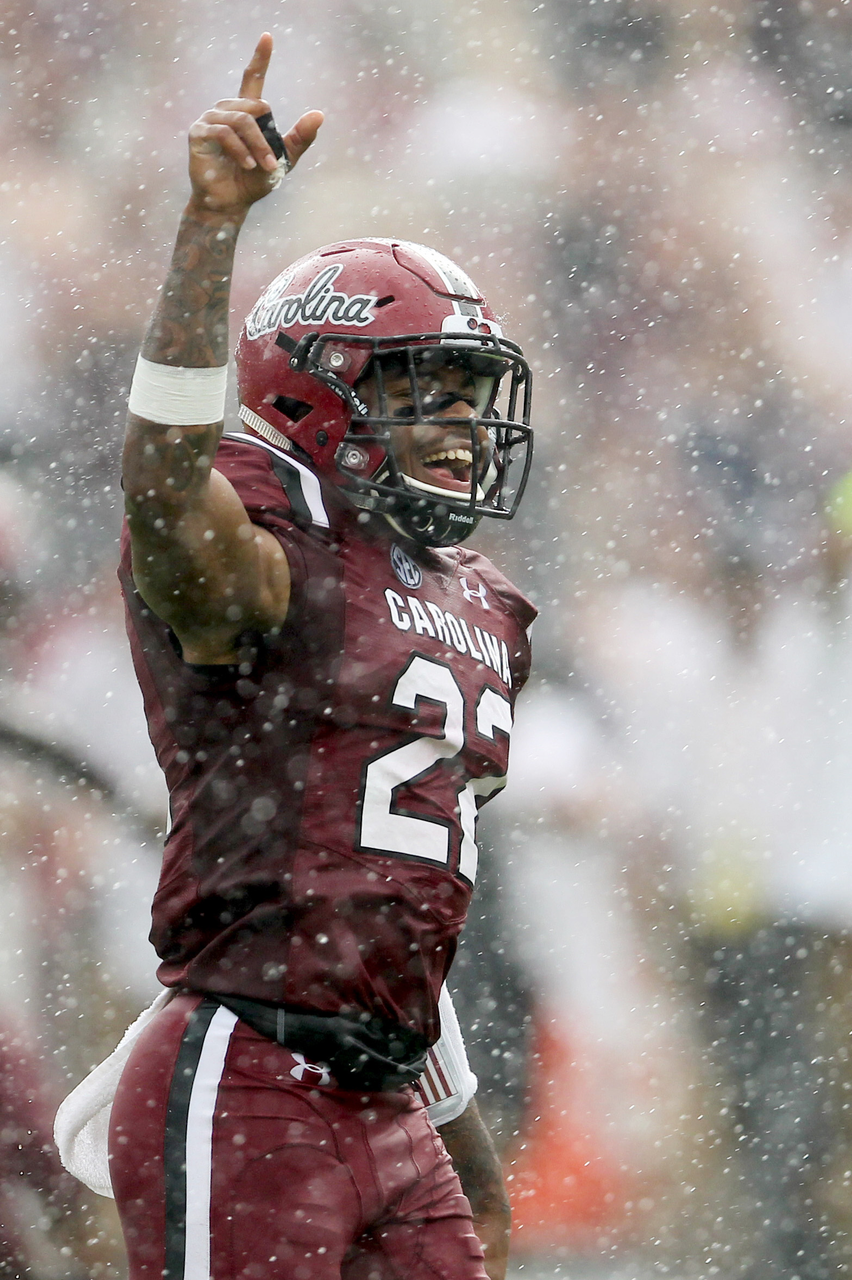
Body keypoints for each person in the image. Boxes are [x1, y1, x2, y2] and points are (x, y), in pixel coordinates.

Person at [106, 32, 536, 1280]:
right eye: (426, 387)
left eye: (471, 392)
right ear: (318, 390)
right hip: (249, 1066)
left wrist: (461, 1132)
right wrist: (210, 229)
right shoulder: (266, 541)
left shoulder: (476, 600)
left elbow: (390, 906)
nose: (463, 425)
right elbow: (164, 487)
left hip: (389, 1091)